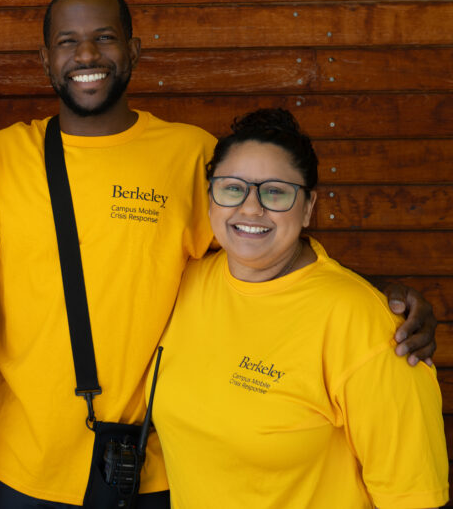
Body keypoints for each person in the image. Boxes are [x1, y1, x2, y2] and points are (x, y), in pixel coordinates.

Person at [0, 0, 438, 508]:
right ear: (44, 57)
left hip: (155, 463)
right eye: (67, 41)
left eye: (105, 38)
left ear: (133, 50)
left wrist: (383, 301)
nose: (86, 55)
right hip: (19, 460)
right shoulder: (1, 159)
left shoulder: (191, 156)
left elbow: (264, 255)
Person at [153, 108, 448, 508]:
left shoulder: (370, 327)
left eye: (275, 192)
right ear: (211, 200)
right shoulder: (184, 283)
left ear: (308, 206)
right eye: (232, 188)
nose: (251, 208)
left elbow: (414, 499)